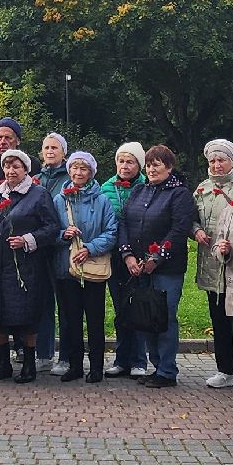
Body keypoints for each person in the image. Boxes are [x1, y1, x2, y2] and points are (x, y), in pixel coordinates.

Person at [0, 148, 61, 383]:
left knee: (26, 314)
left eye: (16, 166)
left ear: (26, 169)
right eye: (7, 166)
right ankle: (3, 364)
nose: (11, 170)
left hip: (26, 266)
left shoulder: (38, 194)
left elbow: (51, 227)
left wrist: (28, 240)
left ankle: (29, 365)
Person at [116, 145, 195, 388]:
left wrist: (156, 259)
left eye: (157, 164)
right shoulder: (139, 190)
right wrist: (128, 255)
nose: (151, 168)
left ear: (169, 167)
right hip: (138, 267)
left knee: (165, 318)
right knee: (146, 318)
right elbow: (124, 223)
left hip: (166, 269)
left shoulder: (179, 194)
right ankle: (156, 365)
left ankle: (167, 371)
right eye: (149, 164)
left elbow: (179, 230)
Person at [191, 139, 233, 395]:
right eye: (212, 161)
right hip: (210, 265)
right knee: (218, 320)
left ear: (232, 161)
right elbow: (191, 216)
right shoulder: (202, 188)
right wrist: (195, 231)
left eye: (221, 160)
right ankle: (225, 369)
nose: (216, 165)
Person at [52, 150, 117, 383]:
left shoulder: (102, 201)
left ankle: (97, 366)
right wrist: (63, 234)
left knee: (95, 318)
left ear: (91, 172)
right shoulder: (59, 200)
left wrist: (89, 248)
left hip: (93, 267)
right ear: (68, 170)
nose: (78, 172)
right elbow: (49, 230)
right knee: (70, 318)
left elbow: (111, 232)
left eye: (84, 168)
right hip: (66, 268)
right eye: (74, 167)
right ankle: (75, 365)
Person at [103, 141, 149, 377]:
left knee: (138, 308)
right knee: (121, 309)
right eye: (121, 161)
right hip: (114, 256)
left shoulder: (147, 187)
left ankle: (139, 361)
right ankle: (121, 359)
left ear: (139, 165)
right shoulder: (106, 187)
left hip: (139, 258)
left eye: (130, 161)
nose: (124, 166)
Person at [31, 133, 70, 371]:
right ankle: (43, 353)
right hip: (38, 247)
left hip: (62, 246)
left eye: (55, 147)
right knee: (42, 302)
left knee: (65, 303)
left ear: (63, 152)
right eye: (46, 147)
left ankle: (66, 356)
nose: (49, 151)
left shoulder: (71, 176)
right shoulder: (35, 178)